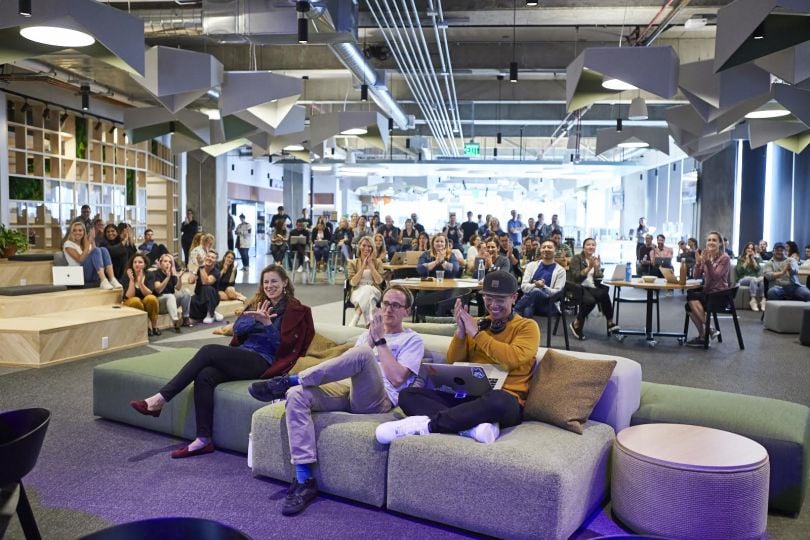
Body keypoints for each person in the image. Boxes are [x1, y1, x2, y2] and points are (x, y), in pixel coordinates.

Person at [247, 286, 424, 516]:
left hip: (377, 400)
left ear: (407, 312)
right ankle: (304, 480)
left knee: (362, 354)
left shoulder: (413, 340)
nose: (388, 309)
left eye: (395, 305)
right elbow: (345, 366)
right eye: (385, 303)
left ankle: (288, 380)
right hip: (348, 389)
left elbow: (399, 378)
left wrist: (379, 341)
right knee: (296, 396)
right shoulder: (367, 334)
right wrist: (370, 338)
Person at [130, 264, 314, 458]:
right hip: (244, 354)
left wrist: (267, 324)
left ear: (285, 282)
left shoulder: (296, 310)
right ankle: (203, 439)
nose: (269, 286)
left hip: (264, 361)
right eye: (266, 282)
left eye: (274, 281)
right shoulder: (257, 303)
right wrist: (255, 318)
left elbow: (283, 349)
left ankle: (160, 399)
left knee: (209, 350)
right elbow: (238, 329)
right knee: (205, 375)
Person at [375, 271, 539, 446]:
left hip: (505, 400)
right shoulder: (477, 325)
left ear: (514, 298)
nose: (493, 305)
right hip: (470, 397)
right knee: (408, 395)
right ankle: (470, 428)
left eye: (500, 299)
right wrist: (461, 333)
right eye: (488, 299)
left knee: (498, 400)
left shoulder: (527, 327)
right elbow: (453, 360)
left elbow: (512, 358)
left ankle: (429, 426)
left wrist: (476, 334)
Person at [567, 238, 620, 339]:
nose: (591, 247)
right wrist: (589, 267)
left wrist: (596, 268)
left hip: (591, 287)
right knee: (591, 301)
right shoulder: (576, 258)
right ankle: (576, 323)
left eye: (593, 245)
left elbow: (599, 278)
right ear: (584, 247)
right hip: (577, 287)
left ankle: (610, 323)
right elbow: (576, 277)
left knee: (604, 294)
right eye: (588, 245)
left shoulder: (594, 259)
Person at [686, 231, 731, 347]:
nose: (711, 242)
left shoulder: (724, 259)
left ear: (720, 244)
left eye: (714, 240)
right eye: (709, 240)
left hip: (720, 295)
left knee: (691, 298)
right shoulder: (707, 256)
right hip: (708, 293)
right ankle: (705, 333)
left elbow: (715, 277)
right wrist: (698, 263)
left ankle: (707, 332)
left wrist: (707, 263)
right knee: (689, 304)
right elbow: (696, 276)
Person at [514, 239, 566, 319]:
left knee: (536, 291)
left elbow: (556, 293)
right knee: (527, 311)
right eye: (543, 247)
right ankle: (527, 330)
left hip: (549, 304)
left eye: (549, 247)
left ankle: (514, 312)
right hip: (531, 302)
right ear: (540, 250)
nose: (546, 249)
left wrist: (543, 287)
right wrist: (535, 284)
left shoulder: (560, 270)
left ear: (555, 251)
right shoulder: (531, 266)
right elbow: (524, 287)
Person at [62, 221, 121, 290]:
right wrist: (88, 243)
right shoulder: (68, 244)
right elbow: (80, 259)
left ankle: (112, 279)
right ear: (71, 232)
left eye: (80, 230)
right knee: (96, 250)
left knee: (103, 249)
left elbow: (97, 256)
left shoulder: (85, 244)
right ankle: (103, 280)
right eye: (74, 230)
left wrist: (92, 240)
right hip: (79, 274)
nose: (77, 232)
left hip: (93, 273)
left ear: (84, 232)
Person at [347, 236, 385, 327]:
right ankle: (370, 323)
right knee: (368, 296)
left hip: (375, 290)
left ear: (372, 248)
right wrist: (363, 266)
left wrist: (371, 266)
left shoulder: (378, 262)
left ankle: (355, 318)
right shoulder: (353, 263)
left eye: (369, 246)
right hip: (357, 291)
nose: (366, 248)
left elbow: (379, 281)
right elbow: (353, 283)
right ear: (359, 246)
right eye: (364, 245)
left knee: (368, 289)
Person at [120, 253, 161, 337]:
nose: (137, 264)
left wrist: (140, 283)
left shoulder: (150, 274)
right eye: (134, 262)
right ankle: (146, 326)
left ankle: (154, 326)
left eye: (140, 262)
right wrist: (132, 280)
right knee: (136, 301)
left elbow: (149, 293)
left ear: (145, 264)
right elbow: (129, 296)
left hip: (145, 300)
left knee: (152, 298)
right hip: (130, 302)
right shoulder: (127, 275)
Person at [153, 253, 192, 331]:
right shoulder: (155, 273)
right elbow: (158, 289)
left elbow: (178, 288)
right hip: (160, 303)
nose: (168, 263)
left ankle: (185, 317)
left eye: (170, 262)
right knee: (170, 296)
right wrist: (167, 277)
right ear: (160, 263)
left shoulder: (172, 275)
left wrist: (180, 277)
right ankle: (175, 321)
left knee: (186, 292)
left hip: (171, 303)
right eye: (165, 261)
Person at [189, 249, 223, 324]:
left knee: (206, 288)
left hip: (212, 297)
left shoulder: (216, 272)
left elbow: (206, 282)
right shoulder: (200, 268)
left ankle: (210, 314)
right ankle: (210, 313)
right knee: (191, 299)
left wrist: (201, 266)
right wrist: (195, 267)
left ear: (215, 261)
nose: (209, 258)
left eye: (212, 257)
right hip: (200, 296)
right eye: (208, 256)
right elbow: (190, 281)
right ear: (205, 257)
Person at [736, 242, 765, 311]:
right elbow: (739, 271)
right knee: (754, 279)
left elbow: (758, 269)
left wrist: (753, 260)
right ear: (745, 249)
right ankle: (753, 300)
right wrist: (746, 260)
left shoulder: (756, 259)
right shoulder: (740, 258)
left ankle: (763, 300)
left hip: (755, 278)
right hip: (742, 279)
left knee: (763, 279)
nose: (750, 250)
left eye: (752, 249)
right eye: (748, 248)